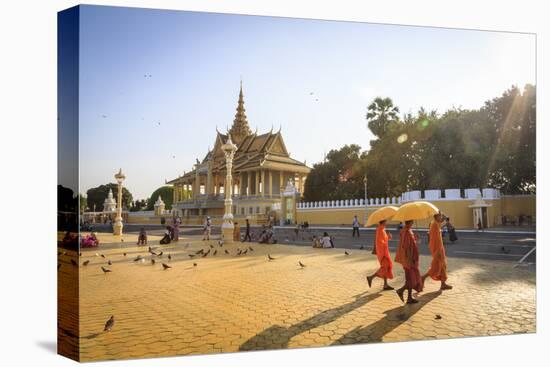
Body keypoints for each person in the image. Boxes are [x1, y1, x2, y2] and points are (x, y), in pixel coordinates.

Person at [394, 220, 423, 304]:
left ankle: (409, 297)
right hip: (409, 260)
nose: (412, 224)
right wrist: (410, 260)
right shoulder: (406, 232)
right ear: (408, 223)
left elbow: (411, 244)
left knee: (410, 280)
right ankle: (401, 291)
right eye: (411, 222)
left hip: (410, 259)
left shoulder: (408, 231)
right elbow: (407, 248)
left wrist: (415, 238)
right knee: (412, 279)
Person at [422, 214, 453, 290]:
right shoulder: (434, 225)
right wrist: (438, 251)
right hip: (437, 249)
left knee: (443, 266)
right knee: (436, 267)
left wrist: (444, 218)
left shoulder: (436, 223)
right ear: (436, 217)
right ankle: (423, 277)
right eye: (439, 216)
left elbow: (440, 222)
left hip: (440, 248)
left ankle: (443, 284)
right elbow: (435, 239)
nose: (441, 217)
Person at [366, 220, 394, 290]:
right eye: (385, 222)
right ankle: (371, 277)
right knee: (384, 267)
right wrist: (385, 241)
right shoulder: (379, 230)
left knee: (386, 267)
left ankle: (385, 285)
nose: (386, 223)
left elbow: (384, 239)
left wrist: (388, 237)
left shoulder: (383, 229)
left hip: (385, 251)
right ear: (382, 222)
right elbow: (379, 242)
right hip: (382, 253)